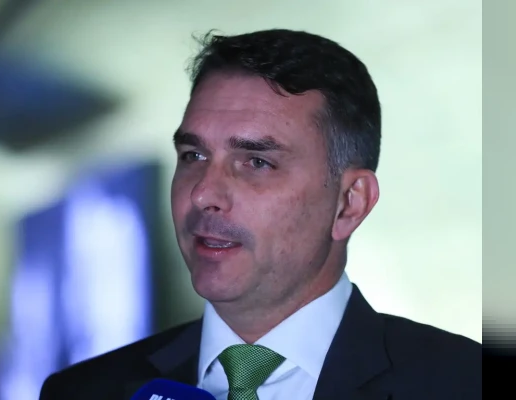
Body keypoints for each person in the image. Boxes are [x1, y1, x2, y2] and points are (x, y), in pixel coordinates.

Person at [39, 29, 481, 400]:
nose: (203, 194)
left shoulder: (463, 383)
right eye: (193, 155)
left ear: (350, 202)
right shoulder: (83, 392)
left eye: (256, 162)